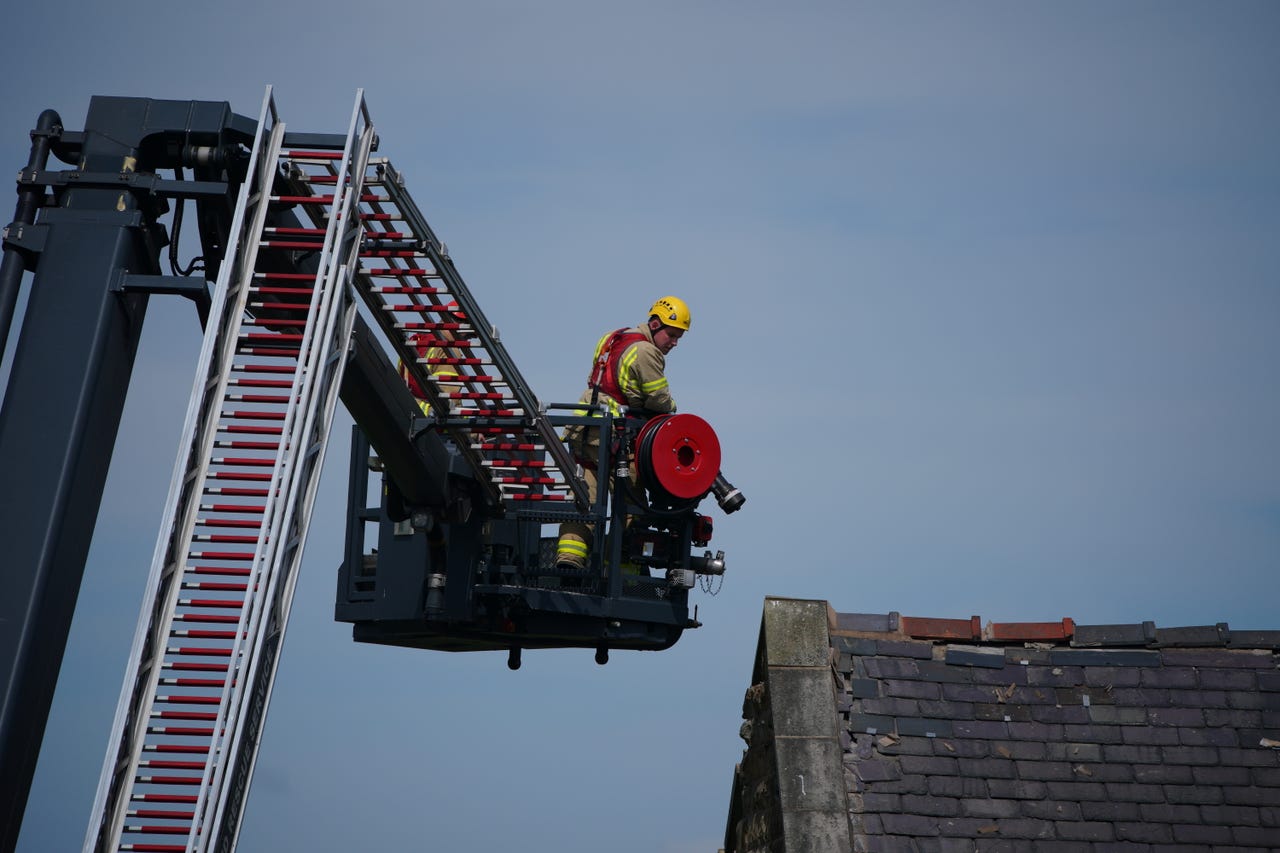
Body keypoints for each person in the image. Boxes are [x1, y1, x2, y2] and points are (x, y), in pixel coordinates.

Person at [555, 296, 690, 572]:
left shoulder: (613, 337)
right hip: (618, 439)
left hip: (586, 432)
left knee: (585, 498)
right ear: (654, 324)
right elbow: (659, 401)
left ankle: (569, 559)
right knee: (632, 505)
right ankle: (616, 568)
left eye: (679, 337)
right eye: (672, 334)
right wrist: (672, 408)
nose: (674, 342)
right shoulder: (646, 352)